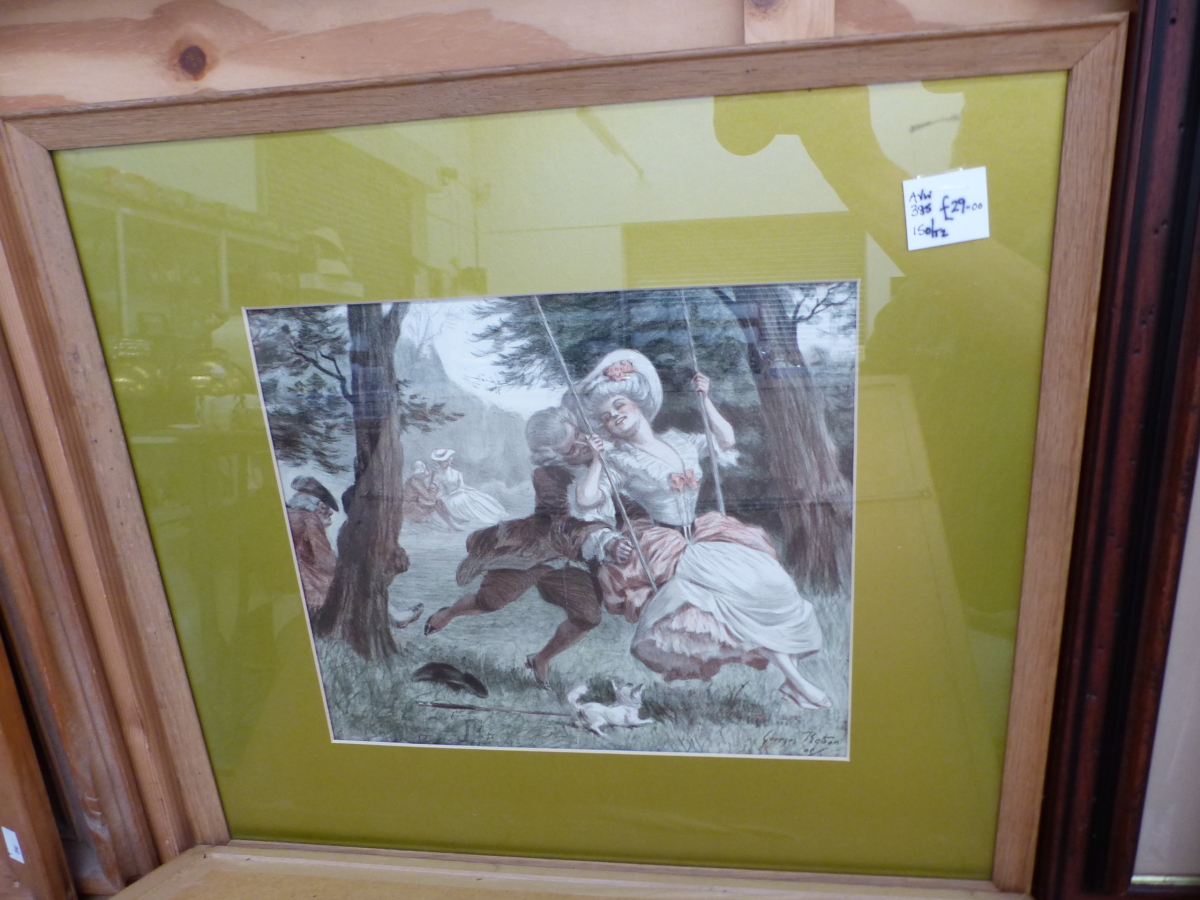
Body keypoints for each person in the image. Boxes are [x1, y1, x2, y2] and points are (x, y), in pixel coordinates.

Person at [573, 350, 831, 710]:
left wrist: (705, 399)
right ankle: (797, 681)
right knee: (728, 599)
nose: (615, 416)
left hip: (704, 534)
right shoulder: (621, 460)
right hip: (667, 545)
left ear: (638, 403)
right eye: (606, 417)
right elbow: (586, 499)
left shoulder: (679, 441)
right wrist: (598, 461)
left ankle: (793, 679)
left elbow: (725, 439)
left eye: (619, 405)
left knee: (771, 581)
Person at [425, 409, 633, 686]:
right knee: (490, 602)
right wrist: (607, 541)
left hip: (571, 561)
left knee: (588, 617)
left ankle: (541, 658)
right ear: (553, 455)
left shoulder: (608, 465)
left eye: (581, 436)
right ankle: (449, 612)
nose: (583, 445)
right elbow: (562, 527)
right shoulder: (549, 476)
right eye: (571, 448)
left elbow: (626, 507)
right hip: (534, 553)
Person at [285, 475, 339, 617]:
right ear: (315, 503)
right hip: (310, 579)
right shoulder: (310, 519)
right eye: (324, 507)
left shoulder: (290, 514)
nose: (330, 512)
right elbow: (323, 555)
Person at [429, 448, 507, 528]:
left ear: (449, 461)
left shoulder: (456, 473)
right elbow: (439, 489)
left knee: (476, 499)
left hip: (460, 492)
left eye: (444, 461)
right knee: (460, 501)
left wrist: (459, 491)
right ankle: (462, 519)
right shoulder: (438, 475)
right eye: (440, 462)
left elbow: (461, 486)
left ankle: (487, 514)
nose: (442, 463)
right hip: (449, 497)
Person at [403, 460, 455, 527]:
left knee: (438, 502)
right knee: (438, 503)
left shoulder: (416, 480)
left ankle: (452, 519)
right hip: (412, 510)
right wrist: (434, 483)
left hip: (414, 506)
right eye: (422, 472)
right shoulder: (415, 482)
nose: (424, 474)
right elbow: (429, 496)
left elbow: (426, 495)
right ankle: (451, 524)